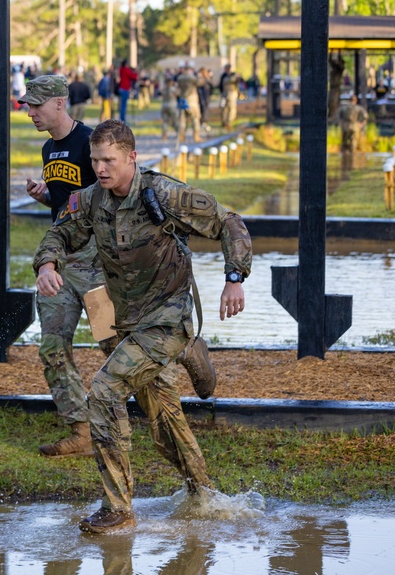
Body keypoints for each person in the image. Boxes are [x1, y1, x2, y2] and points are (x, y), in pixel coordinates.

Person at [33, 119, 251, 533]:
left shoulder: (164, 193)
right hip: (130, 324)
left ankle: (118, 508)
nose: (100, 168)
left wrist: (233, 279)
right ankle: (203, 493)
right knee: (165, 418)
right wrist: (47, 264)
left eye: (109, 160)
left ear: (132, 157)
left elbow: (229, 223)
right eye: (95, 159)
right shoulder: (92, 200)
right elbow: (58, 234)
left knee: (103, 391)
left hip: (167, 319)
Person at [20, 75, 118, 457]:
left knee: (115, 344)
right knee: (52, 346)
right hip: (61, 263)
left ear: (60, 103)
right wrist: (47, 196)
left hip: (97, 263)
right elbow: (68, 206)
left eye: (37, 105)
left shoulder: (92, 143)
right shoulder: (49, 150)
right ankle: (81, 431)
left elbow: (108, 201)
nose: (31, 113)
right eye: (28, 106)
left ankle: (178, 375)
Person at [338, 94, 369, 171]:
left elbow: (338, 115)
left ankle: (344, 161)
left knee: (344, 143)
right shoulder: (358, 108)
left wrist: (341, 123)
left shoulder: (344, 108)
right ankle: (352, 161)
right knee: (353, 143)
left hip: (345, 126)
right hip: (355, 126)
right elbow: (365, 116)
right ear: (355, 100)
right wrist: (361, 123)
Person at [176, 63, 202, 144]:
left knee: (182, 119)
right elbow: (199, 83)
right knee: (195, 118)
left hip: (183, 99)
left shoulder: (180, 77)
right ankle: (196, 136)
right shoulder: (192, 77)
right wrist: (199, 76)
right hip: (192, 100)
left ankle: (181, 136)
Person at [219, 64, 241, 132]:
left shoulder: (233, 75)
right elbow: (220, 85)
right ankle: (224, 122)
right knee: (223, 108)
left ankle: (229, 122)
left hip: (232, 93)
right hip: (225, 94)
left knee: (231, 108)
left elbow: (237, 82)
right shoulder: (223, 76)